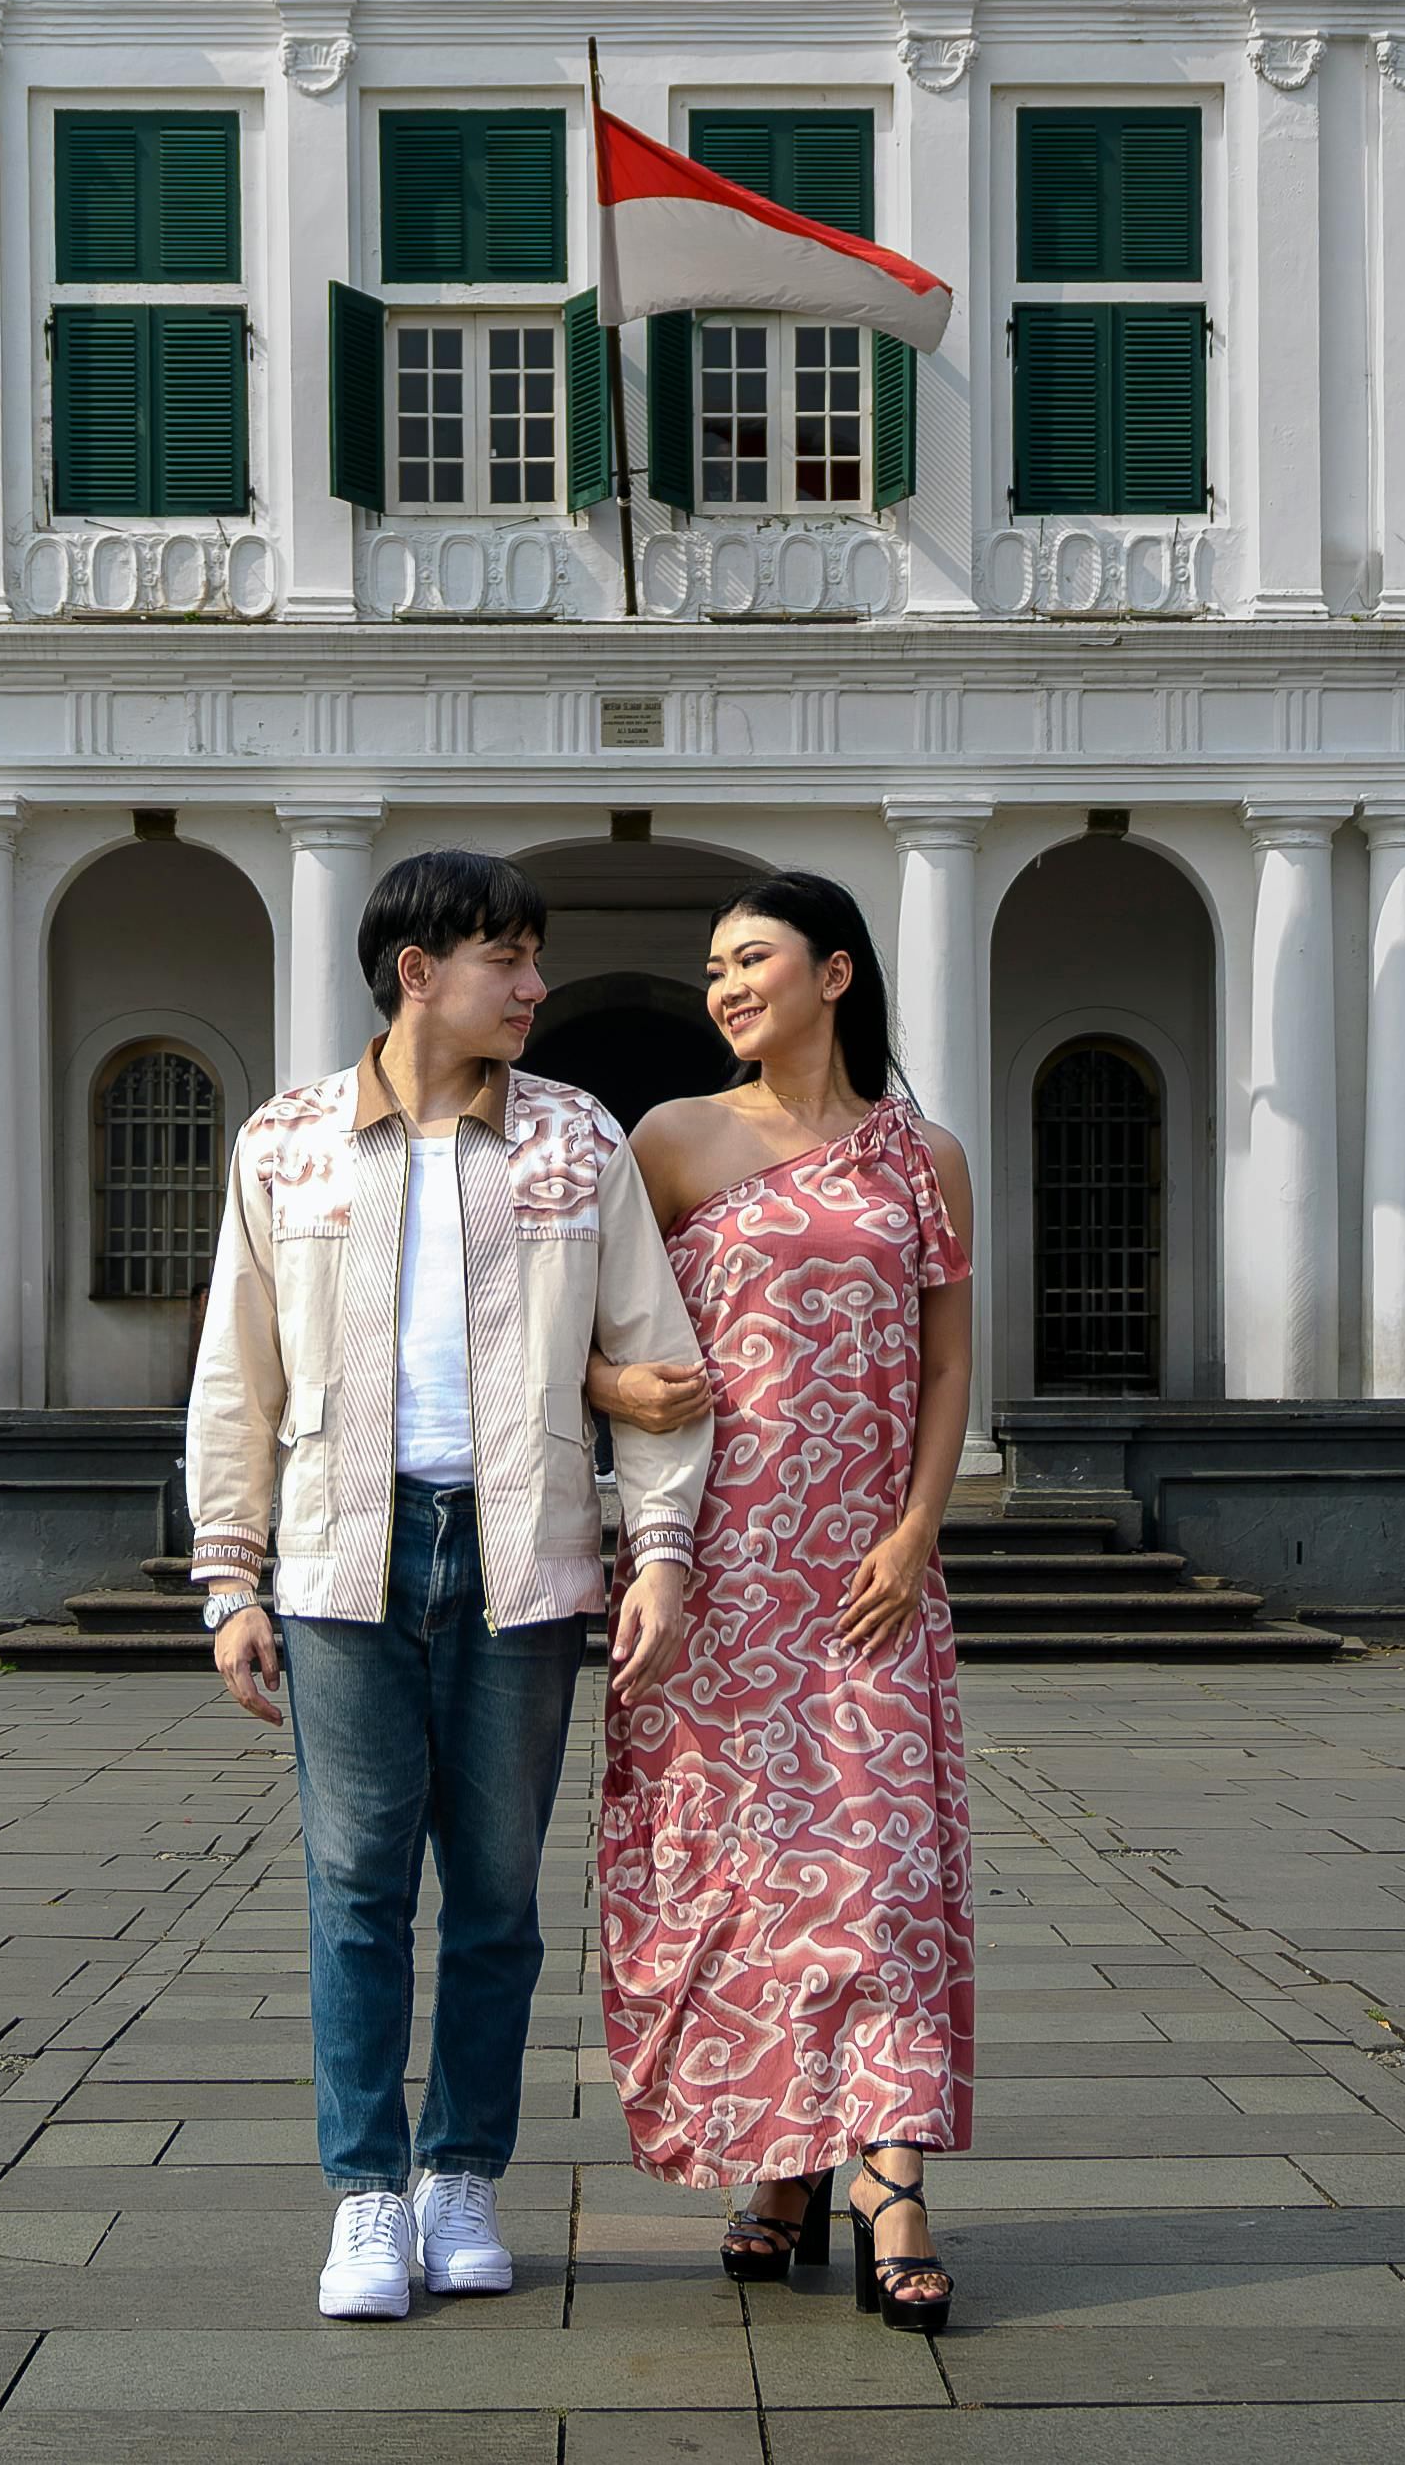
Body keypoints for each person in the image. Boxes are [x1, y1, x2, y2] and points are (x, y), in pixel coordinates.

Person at [184, 845, 713, 2322]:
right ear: (418, 973)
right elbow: (235, 1374)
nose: (534, 986)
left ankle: (460, 2173)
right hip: (342, 1566)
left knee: (491, 1899)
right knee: (354, 1892)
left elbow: (656, 1358)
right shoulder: (286, 1144)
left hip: (524, 1562)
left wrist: (655, 1548)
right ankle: (364, 2194)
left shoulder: (573, 1139)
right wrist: (228, 1578)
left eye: (535, 959)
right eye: (507, 960)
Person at [591, 869, 977, 2332]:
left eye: (751, 959)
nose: (725, 986)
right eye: (709, 967)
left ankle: (888, 2180)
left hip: (868, 1579)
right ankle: (780, 2165)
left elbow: (946, 1364)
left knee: (876, 1879)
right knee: (742, 1880)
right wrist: (614, 1386)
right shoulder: (674, 1139)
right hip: (713, 1571)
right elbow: (582, 1333)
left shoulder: (919, 1156)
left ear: (835, 973)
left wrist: (917, 1528)